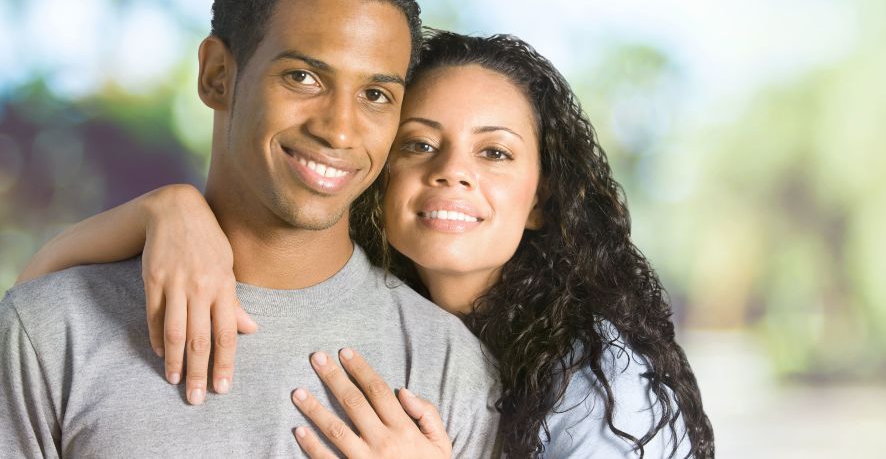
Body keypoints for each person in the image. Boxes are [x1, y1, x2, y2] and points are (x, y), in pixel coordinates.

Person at [18, 30, 716, 457]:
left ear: (541, 203)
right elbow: (35, 296)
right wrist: (162, 211)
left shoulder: (598, 384)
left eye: (495, 154)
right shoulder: (378, 308)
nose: (451, 171)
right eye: (419, 144)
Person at [0, 0, 501, 458]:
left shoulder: (451, 368)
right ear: (217, 75)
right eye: (304, 77)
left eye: (376, 94)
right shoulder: (53, 329)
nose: (340, 131)